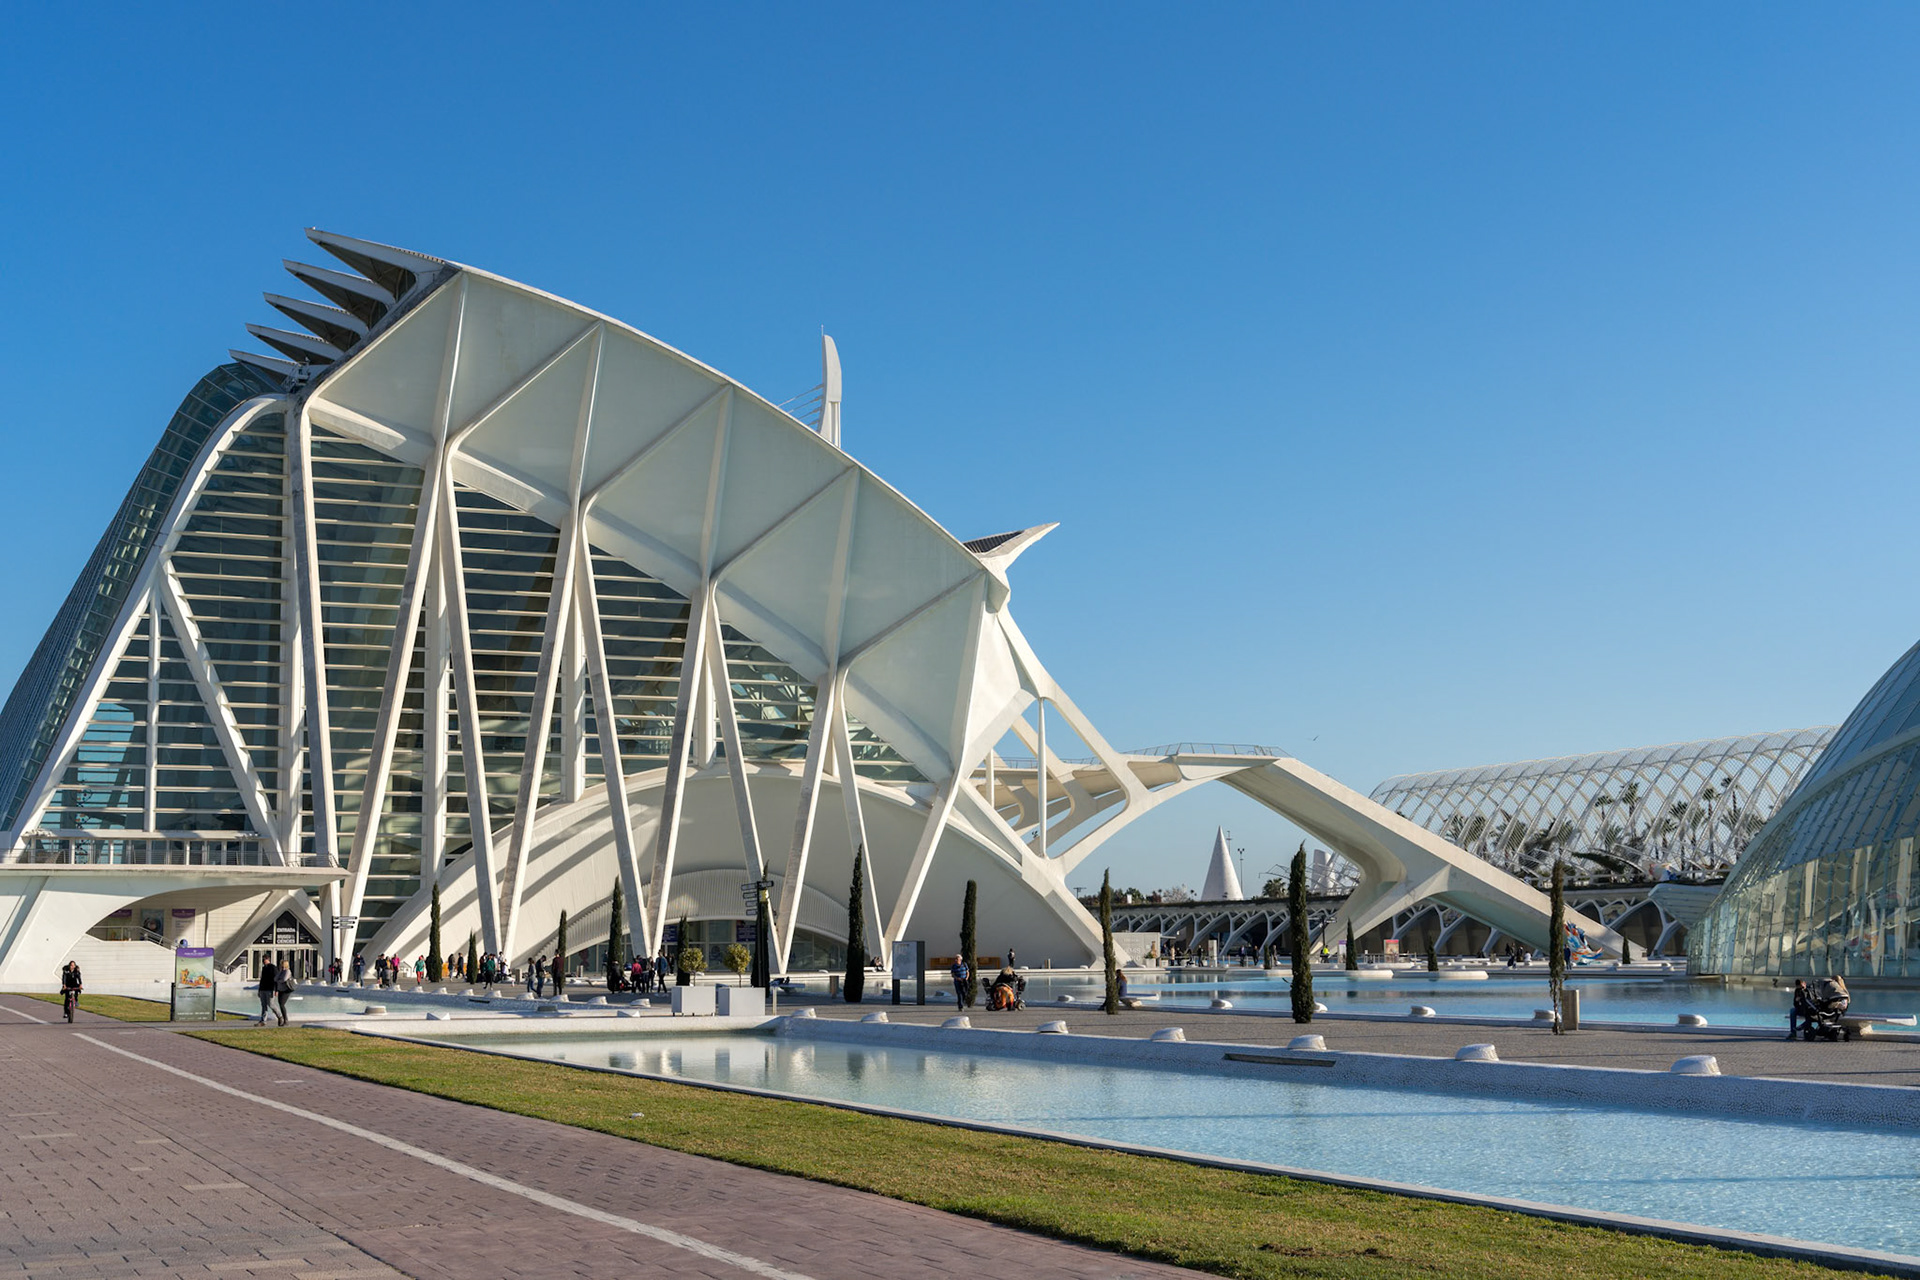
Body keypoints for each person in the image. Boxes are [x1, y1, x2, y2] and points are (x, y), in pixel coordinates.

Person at [256, 958, 279, 1025]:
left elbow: (276, 979)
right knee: (263, 1005)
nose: (263, 961)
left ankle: (279, 1016)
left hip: (270, 989)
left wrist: (276, 990)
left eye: (264, 960)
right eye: (263, 960)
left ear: (268, 959)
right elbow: (262, 979)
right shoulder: (264, 968)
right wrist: (259, 990)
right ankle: (263, 1020)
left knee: (271, 1004)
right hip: (263, 989)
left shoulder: (273, 967)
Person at [275, 959, 294, 1026]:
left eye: (283, 965)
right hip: (281, 989)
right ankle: (284, 1019)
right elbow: (275, 978)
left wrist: (278, 980)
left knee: (282, 1004)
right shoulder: (281, 971)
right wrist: (280, 973)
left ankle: (286, 1020)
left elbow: (284, 979)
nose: (282, 966)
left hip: (286, 990)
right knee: (280, 1004)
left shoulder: (287, 971)